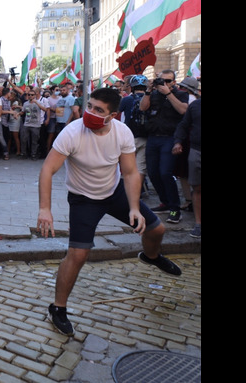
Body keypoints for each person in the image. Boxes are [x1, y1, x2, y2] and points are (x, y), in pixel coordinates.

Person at [37, 87, 182, 337]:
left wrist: (135, 207)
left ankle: (150, 256)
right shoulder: (72, 132)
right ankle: (58, 308)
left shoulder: (122, 132)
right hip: (83, 199)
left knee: (157, 228)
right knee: (78, 255)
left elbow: (130, 172)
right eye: (90, 106)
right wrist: (45, 209)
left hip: (114, 193)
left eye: (98, 110)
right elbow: (47, 170)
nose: (90, 112)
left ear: (112, 116)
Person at [139, 70, 189, 224]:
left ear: (174, 82)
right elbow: (143, 107)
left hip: (170, 138)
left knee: (165, 173)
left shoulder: (180, 94)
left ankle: (175, 209)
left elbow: (183, 110)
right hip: (153, 138)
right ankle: (165, 202)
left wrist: (168, 94)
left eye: (168, 81)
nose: (164, 84)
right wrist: (148, 90)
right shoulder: (154, 95)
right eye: (161, 81)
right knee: (153, 173)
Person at [173, 81, 201, 238]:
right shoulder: (195, 106)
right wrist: (177, 141)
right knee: (197, 189)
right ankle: (198, 224)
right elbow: (183, 125)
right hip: (197, 151)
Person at [118, 75, 151, 197]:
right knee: (140, 168)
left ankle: (126, 189)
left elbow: (117, 111)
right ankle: (138, 191)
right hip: (146, 136)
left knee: (126, 165)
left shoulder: (127, 100)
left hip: (129, 137)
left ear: (131, 87)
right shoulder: (151, 98)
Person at [20, 88, 46, 161]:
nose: (30, 96)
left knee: (34, 141)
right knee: (24, 140)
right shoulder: (25, 103)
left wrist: (36, 102)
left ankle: (33, 154)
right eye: (29, 95)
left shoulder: (39, 102)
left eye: (32, 95)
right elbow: (23, 112)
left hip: (36, 125)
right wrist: (17, 114)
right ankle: (24, 154)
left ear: (35, 95)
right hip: (27, 124)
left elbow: (45, 109)